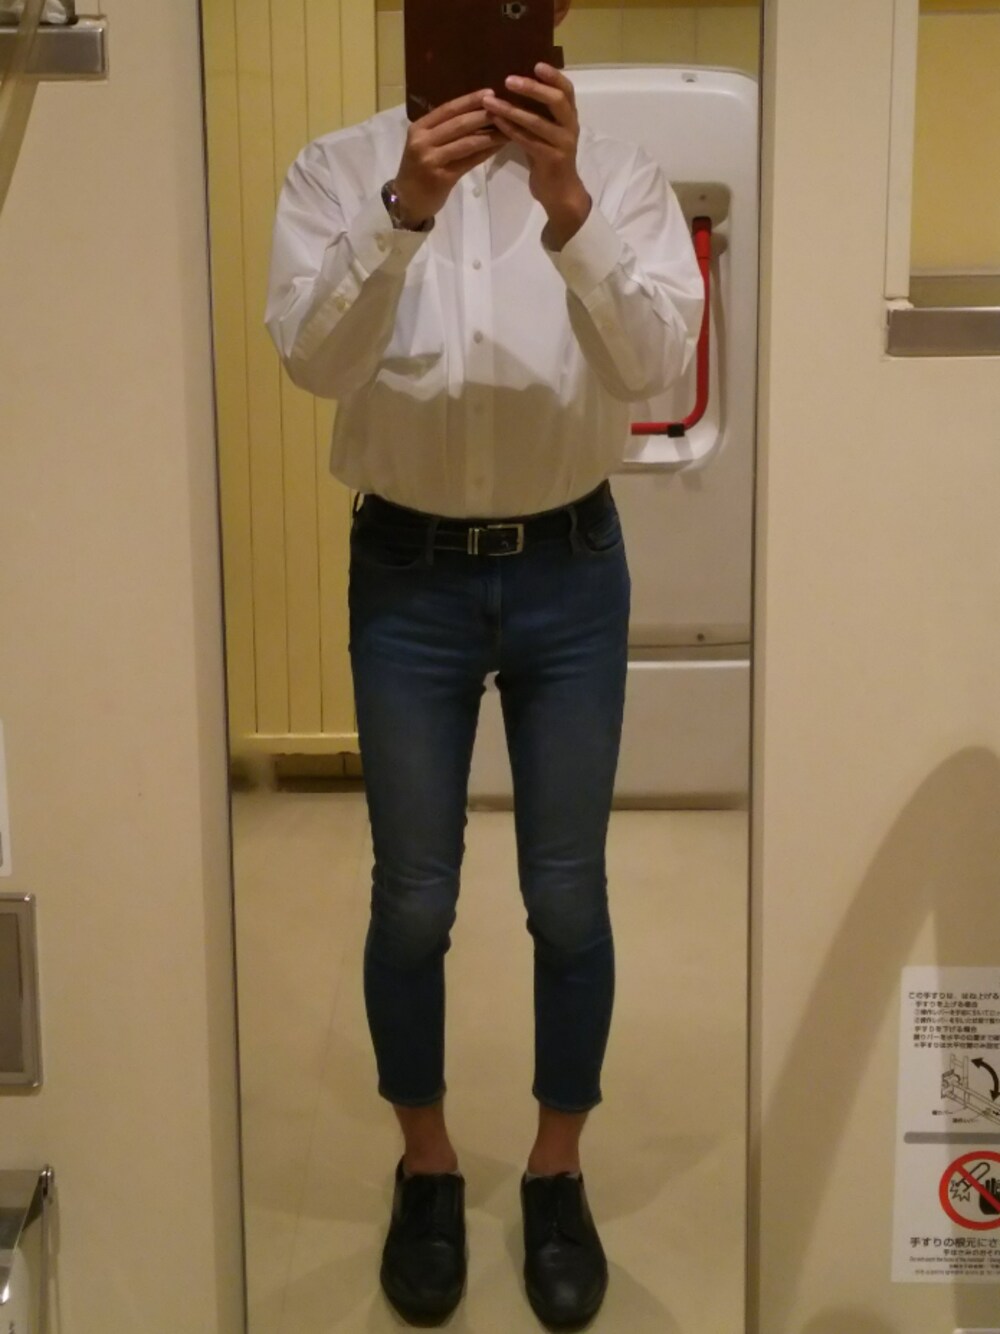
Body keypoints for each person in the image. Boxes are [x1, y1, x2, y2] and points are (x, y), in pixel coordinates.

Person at [266, 0, 703, 1323]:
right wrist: (402, 208)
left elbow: (657, 365)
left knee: (568, 897)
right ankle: (428, 1162)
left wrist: (570, 209)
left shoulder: (617, 175)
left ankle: (557, 1169)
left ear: (551, 20)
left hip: (571, 571)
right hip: (408, 578)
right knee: (413, 898)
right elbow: (311, 359)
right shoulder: (340, 170)